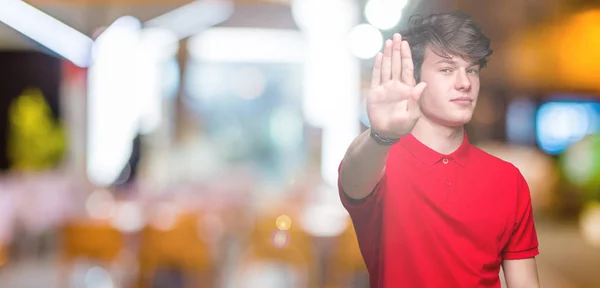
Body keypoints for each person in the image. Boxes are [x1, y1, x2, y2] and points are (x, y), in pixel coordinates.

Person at [338, 10, 540, 288]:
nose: (465, 82)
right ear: (415, 81)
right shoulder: (380, 163)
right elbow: (352, 177)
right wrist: (380, 136)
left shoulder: (509, 179)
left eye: (471, 70)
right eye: (446, 69)